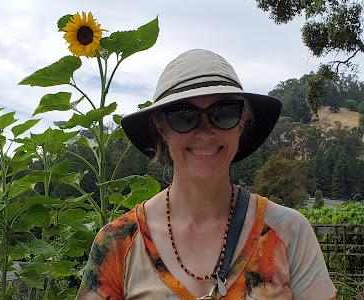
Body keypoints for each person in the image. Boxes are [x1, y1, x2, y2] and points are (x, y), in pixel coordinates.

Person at [76, 49, 337, 299]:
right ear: (161, 127)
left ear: (242, 122)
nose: (204, 132)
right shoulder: (118, 244)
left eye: (223, 113)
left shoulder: (289, 232)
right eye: (184, 116)